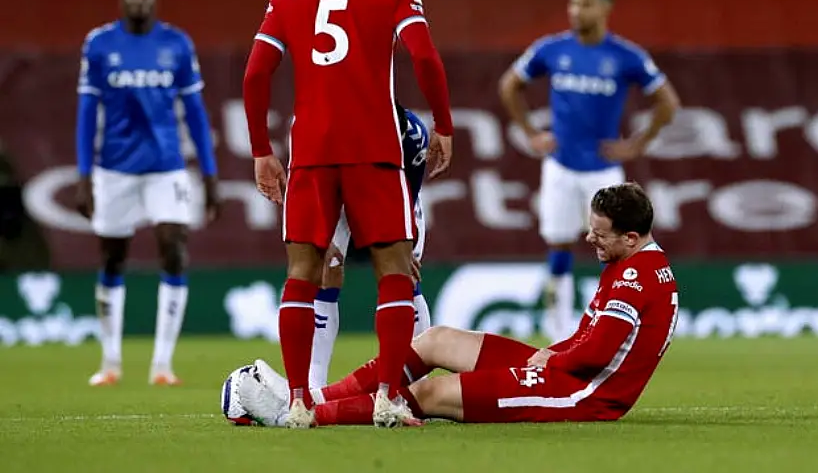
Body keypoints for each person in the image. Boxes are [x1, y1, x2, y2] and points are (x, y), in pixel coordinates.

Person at [241, 0, 454, 428]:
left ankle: (297, 401)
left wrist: (261, 151)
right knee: (394, 274)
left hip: (311, 152)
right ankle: (388, 396)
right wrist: (445, 126)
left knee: (301, 275)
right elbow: (425, 57)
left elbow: (254, 75)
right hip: (374, 149)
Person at [239, 183, 679, 427]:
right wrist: (554, 355)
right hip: (565, 368)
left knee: (431, 392)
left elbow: (598, 353)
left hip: (582, 394)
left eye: (599, 234)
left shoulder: (636, 277)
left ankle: (297, 415)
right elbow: (590, 342)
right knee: (435, 340)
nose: (590, 239)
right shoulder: (635, 263)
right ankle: (314, 395)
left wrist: (553, 357)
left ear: (631, 237)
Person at [499, 0, 680, 342]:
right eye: (572, 3)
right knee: (559, 244)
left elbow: (667, 102)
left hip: (604, 170)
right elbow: (509, 85)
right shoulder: (551, 49)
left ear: (604, 9)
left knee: (619, 247)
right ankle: (559, 332)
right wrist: (531, 132)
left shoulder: (626, 56)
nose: (575, 11)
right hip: (560, 165)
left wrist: (637, 144)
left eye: (585, 4)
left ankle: (621, 324)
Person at [75, 0, 220, 386]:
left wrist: (209, 175)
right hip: (114, 168)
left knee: (173, 246)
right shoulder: (99, 44)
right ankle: (110, 362)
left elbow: (194, 113)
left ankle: (162, 365)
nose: (139, 1)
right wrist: (84, 175)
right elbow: (87, 114)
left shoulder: (176, 44)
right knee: (111, 256)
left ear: (155, 0)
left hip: (166, 167)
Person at [309, 104, 432, 389]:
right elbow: (316, 186)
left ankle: (415, 384)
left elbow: (409, 195)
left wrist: (407, 240)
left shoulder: (414, 138)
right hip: (340, 188)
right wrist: (323, 237)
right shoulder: (331, 134)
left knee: (404, 275)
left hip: (390, 194)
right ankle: (315, 385)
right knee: (326, 270)